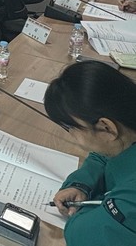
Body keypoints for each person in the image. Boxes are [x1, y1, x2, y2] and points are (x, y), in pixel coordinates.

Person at [45, 61, 136, 246]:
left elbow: (83, 235)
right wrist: (81, 184)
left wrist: (92, 203)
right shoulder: (126, 129)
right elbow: (103, 154)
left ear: (106, 127)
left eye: (71, 127)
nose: (71, 134)